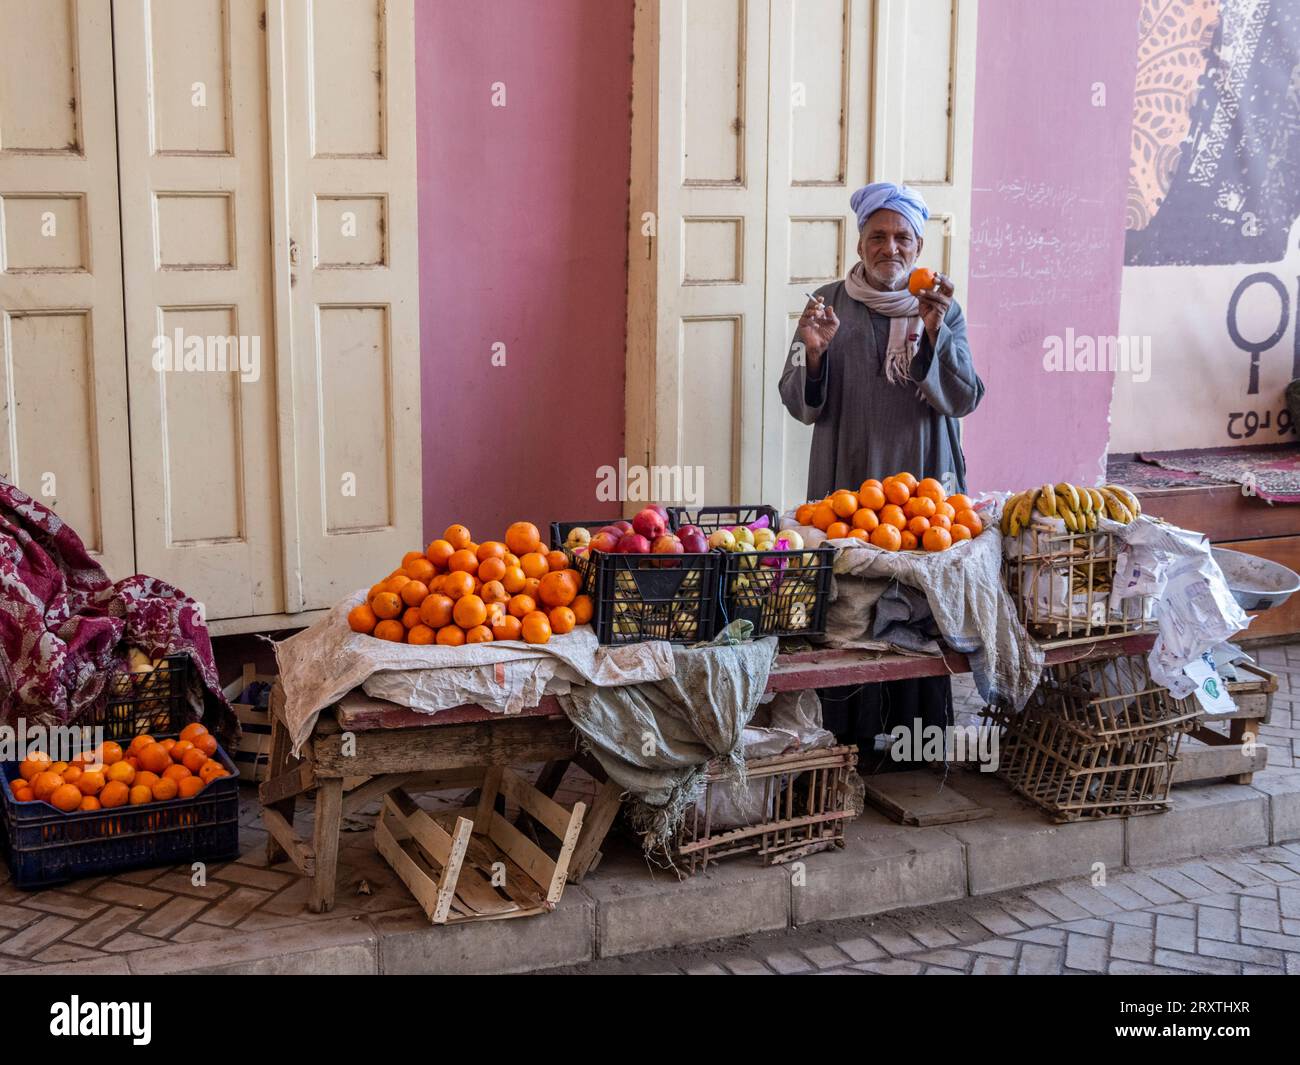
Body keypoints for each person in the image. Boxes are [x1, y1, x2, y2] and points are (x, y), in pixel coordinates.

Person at [779, 181, 985, 772]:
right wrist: (813, 352)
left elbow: (965, 397)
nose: (889, 248)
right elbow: (796, 398)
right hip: (848, 477)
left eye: (902, 238)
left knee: (917, 595)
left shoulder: (943, 307)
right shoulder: (826, 304)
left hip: (922, 482)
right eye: (878, 236)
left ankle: (916, 745)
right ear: (860, 240)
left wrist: (937, 330)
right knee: (852, 598)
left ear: (918, 246)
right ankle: (848, 744)